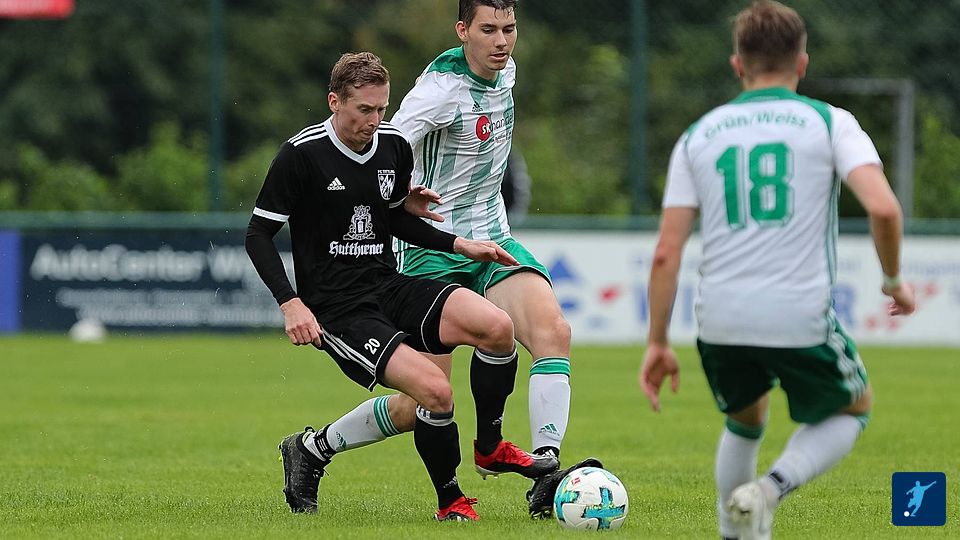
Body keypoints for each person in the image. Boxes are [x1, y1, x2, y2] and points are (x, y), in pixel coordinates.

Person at [300, 0, 598, 520]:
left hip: (491, 239)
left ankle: (546, 471)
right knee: (421, 404)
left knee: (553, 331)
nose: (501, 41)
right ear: (462, 30)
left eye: (509, 29)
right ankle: (313, 448)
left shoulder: (506, 71)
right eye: (488, 30)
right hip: (431, 251)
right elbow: (385, 142)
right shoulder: (439, 90)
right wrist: (392, 194)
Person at [637, 2, 917, 539]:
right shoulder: (830, 122)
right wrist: (892, 282)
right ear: (802, 63)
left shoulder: (699, 134)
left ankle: (736, 532)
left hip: (719, 318)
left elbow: (666, 253)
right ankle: (771, 488)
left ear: (737, 65)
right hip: (797, 313)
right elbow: (884, 209)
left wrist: (657, 342)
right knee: (853, 408)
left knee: (744, 420)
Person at [245, 51, 550, 522]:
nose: (374, 120)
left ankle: (490, 447)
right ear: (334, 102)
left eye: (382, 108)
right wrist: (291, 303)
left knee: (497, 327)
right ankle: (450, 501)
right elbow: (258, 235)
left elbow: (393, 219)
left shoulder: (392, 145)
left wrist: (459, 244)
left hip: (388, 284)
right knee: (435, 391)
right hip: (339, 310)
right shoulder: (301, 155)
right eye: (364, 109)